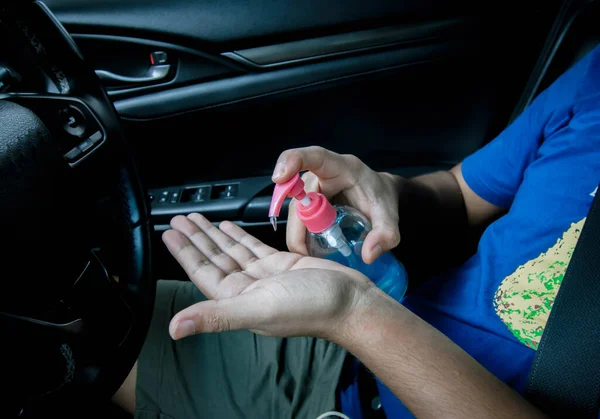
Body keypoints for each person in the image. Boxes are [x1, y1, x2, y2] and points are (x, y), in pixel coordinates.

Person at [112, 43, 600, 419]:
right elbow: (461, 193)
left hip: (366, 332)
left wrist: (355, 317)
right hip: (344, 361)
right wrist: (382, 193)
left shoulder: (355, 313)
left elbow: (357, 314)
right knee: (97, 324)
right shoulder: (594, 80)